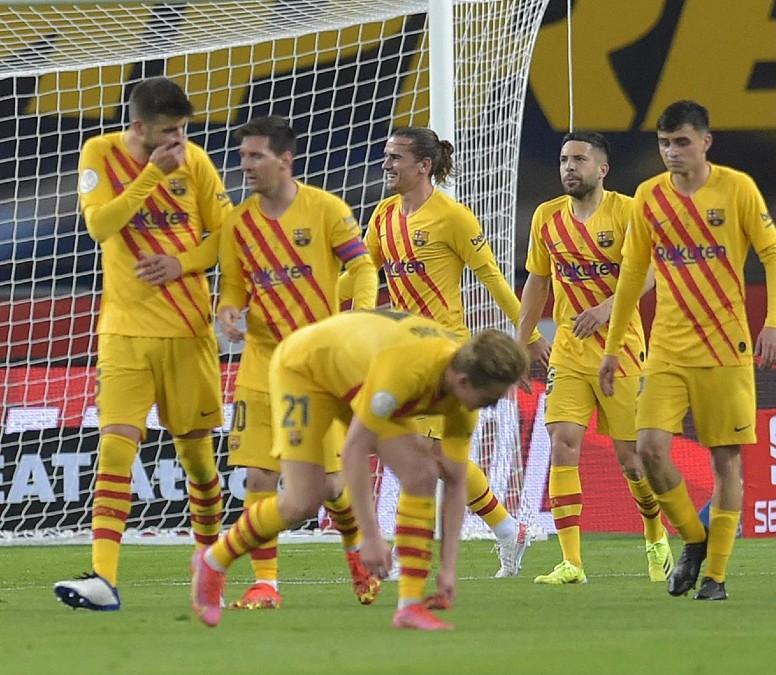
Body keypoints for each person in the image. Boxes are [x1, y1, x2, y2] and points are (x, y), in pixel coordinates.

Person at [191, 311, 529, 631]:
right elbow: (356, 450)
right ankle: (214, 560)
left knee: (422, 474)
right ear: (464, 381)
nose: (491, 408)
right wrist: (369, 538)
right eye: (490, 399)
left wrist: (448, 570)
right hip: (303, 369)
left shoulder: (460, 394)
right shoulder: (406, 372)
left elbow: (455, 483)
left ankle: (410, 606)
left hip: (358, 371)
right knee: (303, 499)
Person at [598, 100, 776, 601]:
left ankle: (717, 576)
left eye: (681, 142)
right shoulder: (648, 197)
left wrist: (773, 322)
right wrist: (613, 347)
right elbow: (633, 275)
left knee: (726, 462)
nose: (671, 152)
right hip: (667, 350)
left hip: (727, 348)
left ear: (705, 141)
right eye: (664, 143)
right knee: (649, 451)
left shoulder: (737, 188)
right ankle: (695, 540)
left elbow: (773, 257)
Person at [55, 77, 232, 611]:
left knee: (199, 461)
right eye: (167, 133)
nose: (178, 141)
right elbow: (100, 226)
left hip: (187, 330)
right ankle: (103, 580)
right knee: (114, 447)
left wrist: (181, 263)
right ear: (138, 128)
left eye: (182, 130)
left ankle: (208, 562)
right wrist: (152, 177)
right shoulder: (101, 153)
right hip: (124, 331)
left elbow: (224, 237)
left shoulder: (196, 162)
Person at [360, 127, 550, 578]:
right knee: (445, 459)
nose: (386, 164)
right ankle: (509, 530)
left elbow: (495, 280)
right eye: (385, 156)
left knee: (418, 451)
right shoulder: (383, 217)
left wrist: (528, 336)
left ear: (423, 166)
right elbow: (362, 276)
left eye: (395, 157)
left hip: (445, 353)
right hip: (401, 351)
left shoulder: (452, 217)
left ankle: (406, 557)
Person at [215, 116, 380, 610]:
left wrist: (361, 318)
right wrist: (227, 310)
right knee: (257, 478)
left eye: (256, 156)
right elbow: (234, 287)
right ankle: (266, 583)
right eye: (242, 156)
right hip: (261, 365)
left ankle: (356, 554)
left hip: (316, 369)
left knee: (330, 485)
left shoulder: (326, 209)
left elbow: (362, 265)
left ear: (285, 160)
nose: (245, 166)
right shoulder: (237, 223)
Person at [517, 131, 670, 585]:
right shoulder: (546, 218)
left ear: (601, 169)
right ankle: (571, 562)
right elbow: (537, 282)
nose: (569, 166)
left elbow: (651, 270)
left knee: (631, 458)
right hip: (567, 350)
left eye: (579, 159)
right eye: (564, 159)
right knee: (563, 441)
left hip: (620, 350)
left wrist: (607, 309)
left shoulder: (627, 212)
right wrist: (522, 340)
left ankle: (655, 535)